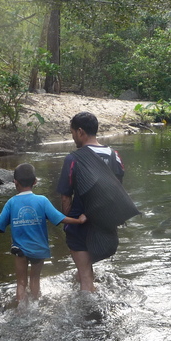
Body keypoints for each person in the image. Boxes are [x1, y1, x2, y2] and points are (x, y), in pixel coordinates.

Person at [0, 163, 87, 303]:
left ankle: (21, 312)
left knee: (20, 283)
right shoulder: (42, 201)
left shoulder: (11, 203)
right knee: (35, 280)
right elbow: (60, 218)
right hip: (39, 249)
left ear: (15, 182)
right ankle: (35, 306)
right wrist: (78, 221)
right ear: (35, 181)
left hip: (20, 250)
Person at [57, 111, 126, 292]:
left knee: (85, 277)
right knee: (84, 272)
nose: (73, 138)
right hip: (105, 223)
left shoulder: (73, 159)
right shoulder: (114, 155)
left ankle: (88, 316)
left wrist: (68, 222)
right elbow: (117, 190)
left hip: (80, 225)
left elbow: (66, 196)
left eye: (72, 133)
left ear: (80, 132)